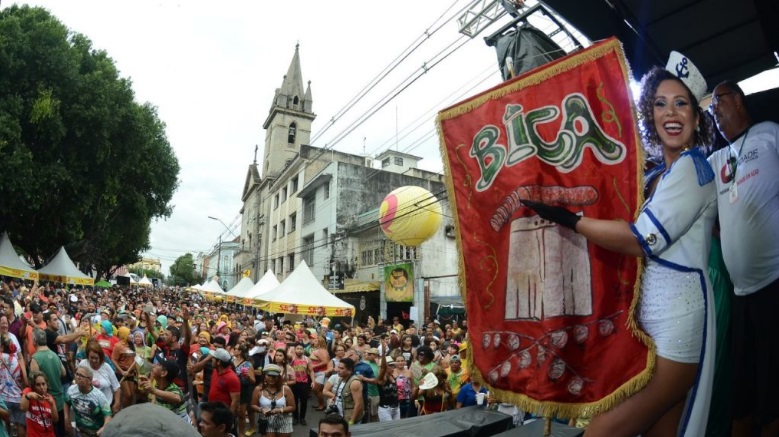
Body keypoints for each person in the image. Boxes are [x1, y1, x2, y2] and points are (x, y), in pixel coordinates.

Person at [524, 64, 717, 436]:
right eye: (661, 104)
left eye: (681, 104)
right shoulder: (656, 174)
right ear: (650, 114)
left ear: (696, 115)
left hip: (676, 329)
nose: (671, 114)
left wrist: (571, 220)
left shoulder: (693, 169)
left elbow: (643, 239)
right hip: (651, 328)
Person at [707, 80, 779, 437]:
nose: (714, 110)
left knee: (773, 391)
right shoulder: (716, 159)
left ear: (738, 99)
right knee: (743, 391)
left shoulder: (770, 135)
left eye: (718, 101)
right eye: (710, 109)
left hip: (775, 284)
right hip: (740, 296)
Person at [28, 329, 66, 437]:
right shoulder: (54, 354)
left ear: (34, 341)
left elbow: (34, 382)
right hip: (59, 400)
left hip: (47, 402)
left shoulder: (35, 358)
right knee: (61, 431)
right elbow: (63, 373)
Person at [64, 366, 112, 437]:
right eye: (77, 374)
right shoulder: (71, 390)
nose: (78, 377)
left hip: (95, 433)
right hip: (79, 431)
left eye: (82, 376)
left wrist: (103, 429)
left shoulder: (99, 396)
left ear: (90, 380)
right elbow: (66, 402)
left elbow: (108, 416)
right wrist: (67, 419)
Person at [139, 357, 190, 423]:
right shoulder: (158, 386)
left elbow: (177, 398)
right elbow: (154, 403)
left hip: (181, 426)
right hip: (167, 422)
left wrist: (153, 390)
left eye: (158, 365)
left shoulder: (173, 388)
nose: (154, 365)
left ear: (163, 373)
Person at [78, 340, 121, 415]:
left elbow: (116, 388)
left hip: (106, 407)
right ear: (87, 356)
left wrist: (117, 403)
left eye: (96, 358)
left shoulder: (106, 367)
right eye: (91, 357)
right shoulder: (83, 364)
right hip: (88, 407)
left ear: (101, 357)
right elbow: (77, 381)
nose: (94, 360)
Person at [251, 364, 293, 437]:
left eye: (274, 376)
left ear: (278, 377)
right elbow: (253, 405)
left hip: (284, 420)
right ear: (264, 376)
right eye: (269, 375)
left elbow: (292, 407)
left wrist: (280, 410)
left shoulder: (286, 389)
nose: (271, 378)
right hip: (266, 421)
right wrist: (261, 410)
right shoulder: (258, 389)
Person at [0, 334, 26, 437]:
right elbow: (23, 379)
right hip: (17, 397)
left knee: (6, 425)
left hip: (4, 397)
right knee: (20, 426)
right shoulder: (16, 361)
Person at [20, 371, 57, 437]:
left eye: (43, 384)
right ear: (33, 386)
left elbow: (55, 420)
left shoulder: (50, 398)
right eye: (38, 385)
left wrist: (52, 405)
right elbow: (23, 408)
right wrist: (28, 396)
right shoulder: (28, 392)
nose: (42, 387)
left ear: (47, 384)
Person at [207, 348, 240, 417]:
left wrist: (229, 418)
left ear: (218, 362)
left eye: (213, 358)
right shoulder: (215, 371)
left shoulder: (232, 378)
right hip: (212, 411)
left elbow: (235, 401)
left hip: (222, 415)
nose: (211, 359)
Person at [231, 343, 254, 436]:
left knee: (241, 415)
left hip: (243, 391)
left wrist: (247, 376)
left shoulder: (247, 364)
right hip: (231, 390)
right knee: (232, 413)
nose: (233, 350)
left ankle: (241, 433)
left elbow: (253, 380)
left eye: (235, 348)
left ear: (240, 351)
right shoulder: (231, 361)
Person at [289, 343, 314, 426]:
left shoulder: (307, 359)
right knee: (294, 401)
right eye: (298, 348)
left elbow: (311, 371)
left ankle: (302, 418)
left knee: (304, 401)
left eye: (301, 349)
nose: (299, 350)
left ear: (303, 350)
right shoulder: (291, 358)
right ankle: (295, 418)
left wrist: (313, 381)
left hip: (304, 383)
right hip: (293, 383)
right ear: (295, 350)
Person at [334, 358, 362, 426]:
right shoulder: (341, 379)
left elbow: (358, 405)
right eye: (338, 367)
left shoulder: (354, 382)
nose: (338, 370)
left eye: (341, 368)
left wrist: (351, 421)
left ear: (349, 370)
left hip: (349, 418)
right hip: (340, 417)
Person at [376, 354, 399, 422]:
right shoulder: (382, 379)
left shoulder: (392, 376)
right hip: (385, 409)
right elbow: (383, 368)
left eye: (393, 366)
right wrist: (383, 351)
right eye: (390, 365)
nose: (392, 368)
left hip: (396, 407)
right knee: (389, 430)